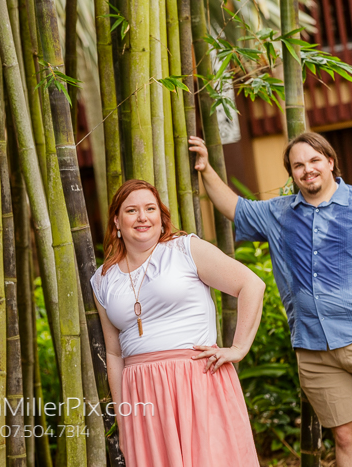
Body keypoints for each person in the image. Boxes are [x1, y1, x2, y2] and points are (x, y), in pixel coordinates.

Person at [191, 132, 352, 467]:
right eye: (298, 165)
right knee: (345, 436)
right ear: (292, 173)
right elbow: (233, 207)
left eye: (315, 160)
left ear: (330, 162)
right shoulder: (278, 214)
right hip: (316, 350)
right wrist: (205, 167)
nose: (307, 170)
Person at [90, 179, 265, 467]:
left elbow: (251, 285)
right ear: (117, 222)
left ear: (161, 218)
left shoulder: (185, 249)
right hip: (141, 391)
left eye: (150, 208)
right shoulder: (103, 279)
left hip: (195, 378)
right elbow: (114, 353)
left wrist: (238, 348)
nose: (142, 217)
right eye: (132, 210)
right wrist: (123, 415)